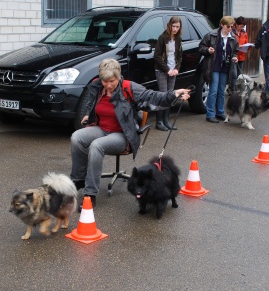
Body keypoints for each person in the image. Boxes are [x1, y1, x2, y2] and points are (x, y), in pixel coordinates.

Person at [70, 58, 190, 211]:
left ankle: (90, 194)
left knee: (96, 146)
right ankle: (79, 179)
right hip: (101, 129)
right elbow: (91, 105)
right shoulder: (97, 87)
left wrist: (174, 94)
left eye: (111, 81)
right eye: (105, 81)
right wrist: (89, 115)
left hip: (122, 134)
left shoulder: (129, 88)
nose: (108, 85)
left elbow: (152, 96)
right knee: (76, 137)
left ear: (118, 76)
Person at [199, 16, 239, 123]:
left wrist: (235, 56)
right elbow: (201, 47)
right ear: (222, 25)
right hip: (214, 65)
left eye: (231, 27)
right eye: (228, 26)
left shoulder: (233, 38)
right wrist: (208, 50)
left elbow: (235, 50)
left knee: (222, 90)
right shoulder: (211, 35)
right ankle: (210, 113)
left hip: (225, 66)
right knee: (214, 90)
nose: (230, 29)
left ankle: (220, 112)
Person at [154, 16, 183, 131]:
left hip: (173, 70)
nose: (175, 29)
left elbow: (180, 56)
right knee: (163, 95)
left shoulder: (178, 39)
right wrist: (167, 69)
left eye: (177, 27)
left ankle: (166, 120)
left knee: (171, 95)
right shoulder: (162, 38)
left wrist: (176, 69)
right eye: (173, 26)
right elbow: (157, 56)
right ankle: (159, 121)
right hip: (162, 70)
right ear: (169, 25)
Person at [227, 16, 249, 95]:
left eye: (243, 26)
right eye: (240, 26)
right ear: (236, 24)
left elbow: (246, 42)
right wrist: (238, 46)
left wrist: (247, 46)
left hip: (242, 56)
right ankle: (232, 90)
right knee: (234, 74)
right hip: (234, 56)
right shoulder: (231, 32)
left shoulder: (244, 33)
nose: (242, 28)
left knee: (239, 75)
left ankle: (231, 87)